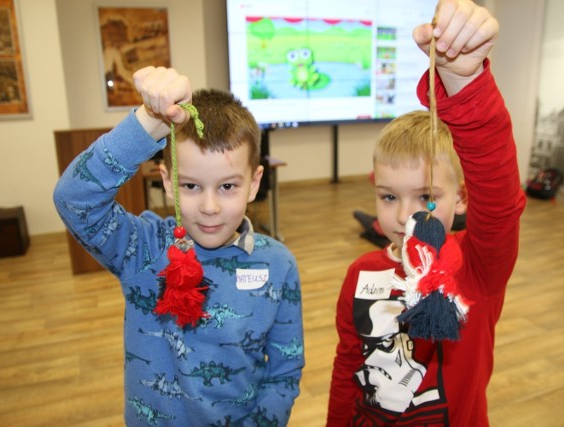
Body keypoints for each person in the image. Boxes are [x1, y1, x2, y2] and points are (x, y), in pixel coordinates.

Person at [54, 68, 304, 426]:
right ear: (168, 182)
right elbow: (74, 199)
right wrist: (149, 122)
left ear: (254, 183)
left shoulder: (279, 265)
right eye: (191, 186)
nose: (210, 207)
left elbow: (284, 371)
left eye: (228, 187)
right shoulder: (142, 249)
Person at [327, 0, 526, 425]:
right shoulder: (360, 273)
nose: (404, 218)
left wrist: (463, 80)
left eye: (426, 198)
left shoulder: (479, 269)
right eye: (388, 197)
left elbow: (502, 198)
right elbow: (347, 368)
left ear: (464, 198)